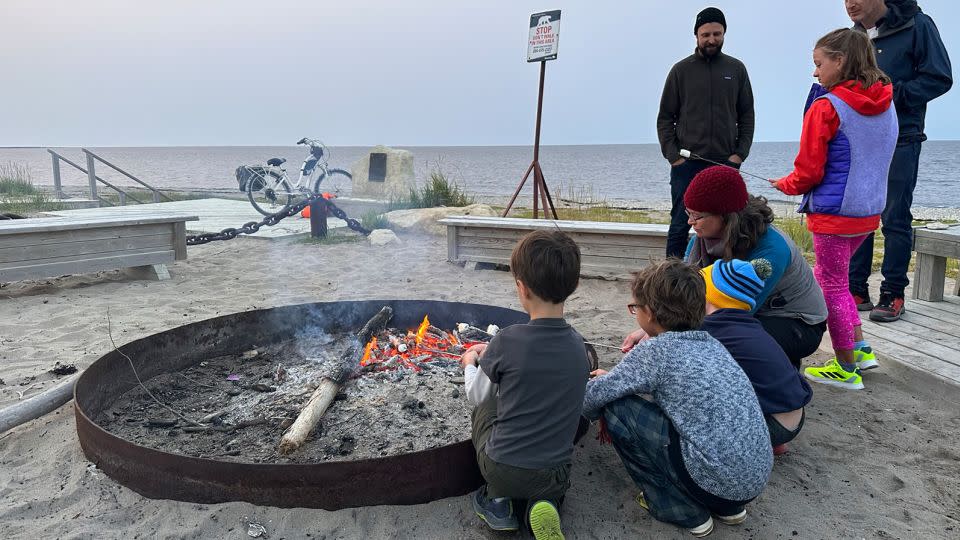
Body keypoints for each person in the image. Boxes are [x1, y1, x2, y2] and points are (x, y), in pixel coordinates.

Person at [583, 259, 771, 538]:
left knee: (616, 407)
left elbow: (592, 400)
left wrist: (591, 384)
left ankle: (680, 508)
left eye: (635, 307)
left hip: (712, 482)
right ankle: (728, 509)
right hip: (751, 481)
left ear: (650, 313)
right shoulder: (711, 344)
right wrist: (615, 379)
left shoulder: (656, 351)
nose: (634, 313)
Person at [771, 28, 898, 390]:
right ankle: (860, 349)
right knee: (840, 282)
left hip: (834, 213)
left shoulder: (826, 106)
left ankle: (845, 368)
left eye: (818, 64)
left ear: (839, 61)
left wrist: (785, 184)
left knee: (832, 285)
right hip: (868, 212)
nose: (815, 73)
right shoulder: (887, 102)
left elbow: (809, 171)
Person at [624, 166, 829, 369]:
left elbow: (729, 318)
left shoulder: (771, 251)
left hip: (795, 322)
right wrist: (651, 328)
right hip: (753, 313)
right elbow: (683, 294)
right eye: (688, 213)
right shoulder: (705, 237)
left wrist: (663, 335)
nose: (690, 221)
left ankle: (780, 370)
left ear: (726, 216)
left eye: (697, 216)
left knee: (725, 342)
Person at [460, 229, 589, 539]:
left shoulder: (506, 340)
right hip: (554, 473)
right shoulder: (579, 349)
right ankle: (543, 504)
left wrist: (470, 363)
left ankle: (498, 504)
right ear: (572, 287)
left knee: (486, 410)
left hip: (502, 468)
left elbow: (476, 395)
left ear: (521, 287)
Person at [845, 0, 953, 322]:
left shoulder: (918, 24)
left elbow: (939, 77)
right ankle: (856, 289)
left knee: (894, 217)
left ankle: (893, 293)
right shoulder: (855, 36)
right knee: (860, 213)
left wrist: (891, 95)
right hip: (861, 139)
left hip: (902, 137)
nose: (850, 3)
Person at [657, 6, 755, 258]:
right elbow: (666, 117)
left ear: (724, 34)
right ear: (696, 36)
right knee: (680, 222)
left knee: (728, 223)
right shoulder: (681, 71)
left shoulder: (736, 69)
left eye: (717, 34)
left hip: (725, 163)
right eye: (706, 34)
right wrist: (674, 158)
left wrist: (738, 155)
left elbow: (747, 115)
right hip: (686, 165)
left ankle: (722, 275)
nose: (711, 39)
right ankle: (670, 280)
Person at [698, 257, 812, 456]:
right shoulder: (748, 325)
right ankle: (772, 442)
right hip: (795, 416)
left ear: (710, 294)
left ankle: (761, 441)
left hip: (772, 424)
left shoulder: (713, 328)